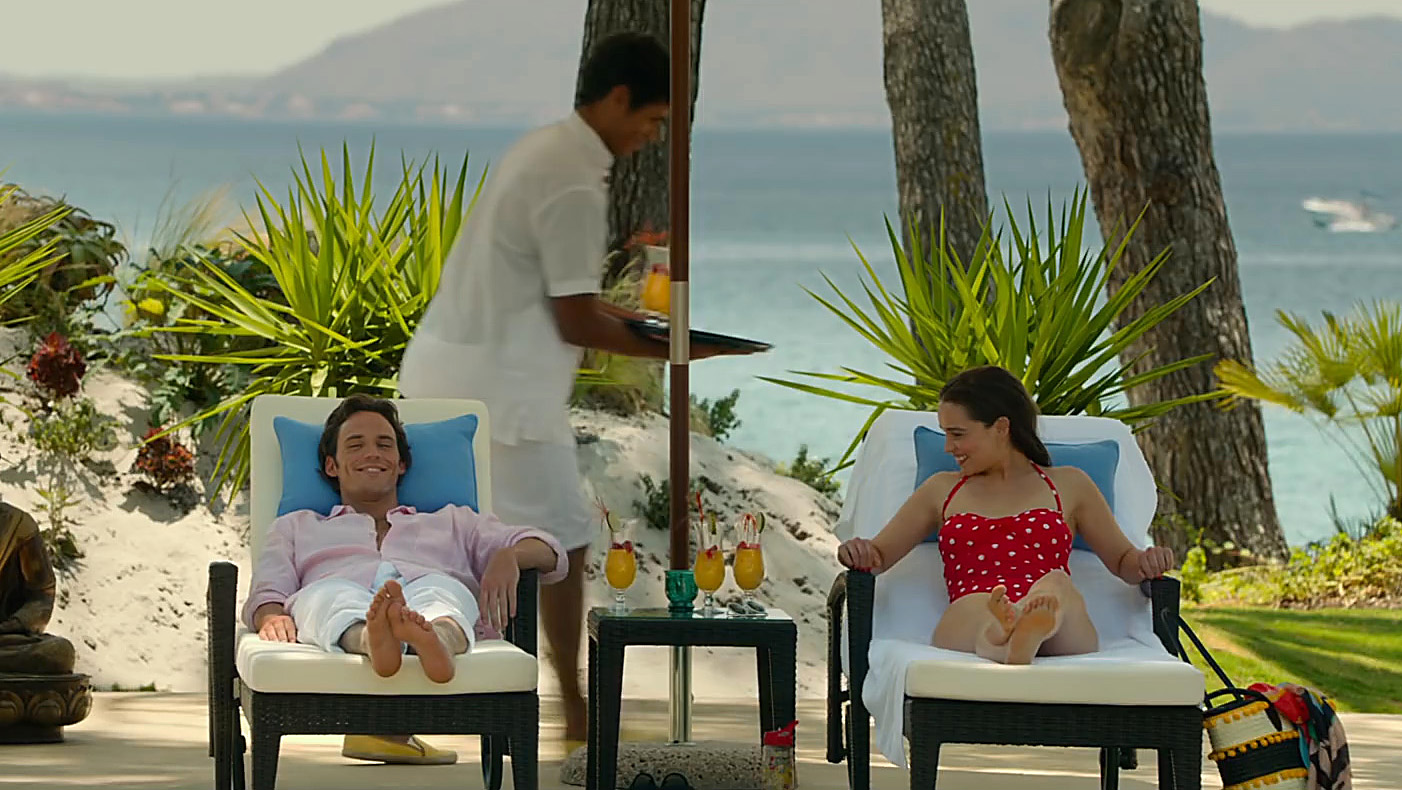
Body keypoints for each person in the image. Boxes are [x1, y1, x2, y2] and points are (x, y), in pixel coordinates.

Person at [399, 31, 759, 741]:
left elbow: (564, 298)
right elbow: (574, 320)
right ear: (618, 99)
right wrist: (684, 348)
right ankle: (574, 714)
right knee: (562, 542)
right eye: (652, 120)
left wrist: (650, 328)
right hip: (500, 394)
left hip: (451, 371)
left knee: (436, 545)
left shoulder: (543, 151)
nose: (654, 136)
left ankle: (402, 712)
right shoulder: (571, 180)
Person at [246, 394, 568, 765]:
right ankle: (372, 639)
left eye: (385, 445)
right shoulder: (297, 526)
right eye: (356, 445)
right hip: (337, 595)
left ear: (401, 465)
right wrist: (271, 616)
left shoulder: (453, 521)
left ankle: (437, 641)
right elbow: (268, 588)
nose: (373, 453)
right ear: (332, 466)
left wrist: (509, 555)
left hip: (429, 593)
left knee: (444, 590)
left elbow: (551, 552)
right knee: (327, 596)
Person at [835, 365, 1175, 665]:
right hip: (974, 613)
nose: (948, 447)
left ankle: (1022, 630)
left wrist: (1147, 561)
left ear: (1001, 427)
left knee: (1056, 584)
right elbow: (879, 555)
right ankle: (1008, 640)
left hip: (1058, 624)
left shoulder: (1070, 484)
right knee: (981, 604)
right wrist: (859, 552)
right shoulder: (940, 490)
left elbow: (1123, 560)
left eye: (957, 434)